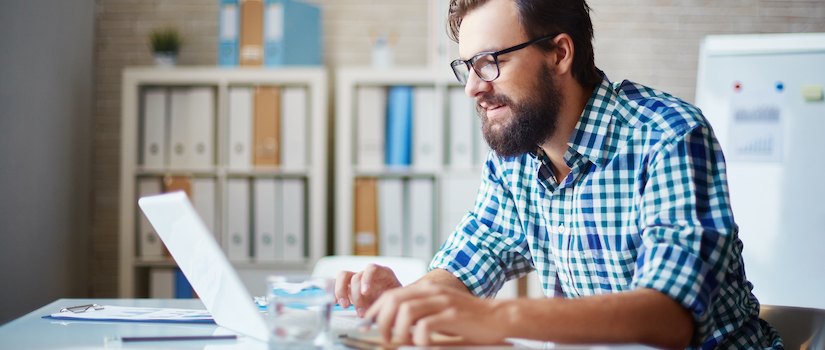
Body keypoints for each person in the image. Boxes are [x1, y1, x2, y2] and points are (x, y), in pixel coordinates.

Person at [335, 0, 783, 349]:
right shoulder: (517, 156)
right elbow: (468, 263)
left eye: (490, 61)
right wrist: (410, 300)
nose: (473, 86)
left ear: (560, 53)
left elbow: (669, 319)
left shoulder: (669, 136)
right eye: (467, 67)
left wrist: (495, 320)